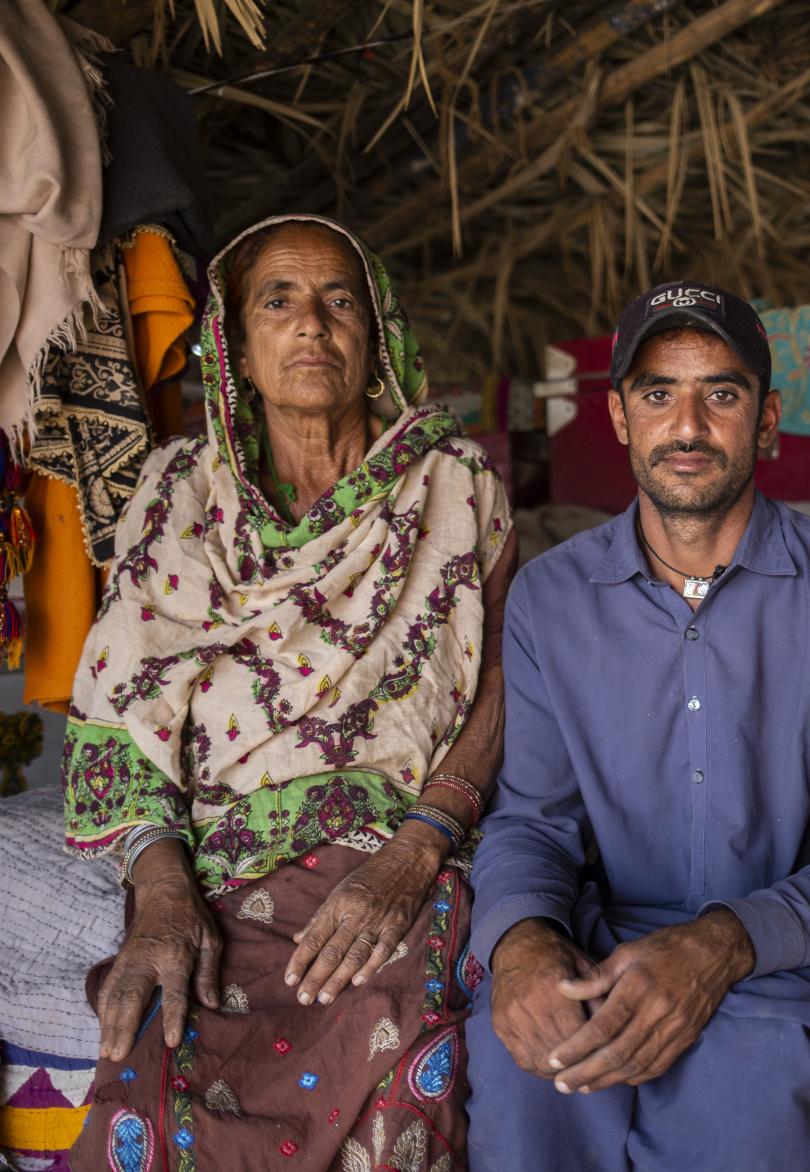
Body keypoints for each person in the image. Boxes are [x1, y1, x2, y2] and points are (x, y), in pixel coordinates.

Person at [65, 214, 514, 1171]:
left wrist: (416, 850)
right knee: (149, 1087)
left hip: (394, 854)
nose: (312, 323)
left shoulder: (453, 483)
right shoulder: (179, 488)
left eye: (339, 299)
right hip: (219, 875)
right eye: (280, 300)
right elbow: (117, 705)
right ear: (235, 342)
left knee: (395, 1068)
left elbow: (509, 684)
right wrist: (159, 890)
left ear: (377, 332)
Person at [465, 281, 810, 1171]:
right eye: (659, 393)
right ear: (621, 418)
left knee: (736, 1089)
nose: (689, 424)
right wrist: (520, 945)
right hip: (597, 949)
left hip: (781, 970)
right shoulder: (551, 598)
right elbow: (530, 820)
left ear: (768, 419)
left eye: (723, 393)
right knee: (522, 1076)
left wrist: (719, 944)